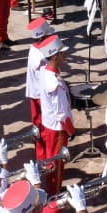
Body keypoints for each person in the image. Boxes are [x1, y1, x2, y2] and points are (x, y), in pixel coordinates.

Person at [36, 35, 75, 194]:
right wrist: (71, 130)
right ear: (55, 56)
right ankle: (54, 193)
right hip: (57, 129)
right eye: (62, 54)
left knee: (52, 159)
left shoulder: (46, 72)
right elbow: (61, 113)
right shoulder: (55, 84)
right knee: (56, 163)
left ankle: (54, 188)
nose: (65, 56)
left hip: (49, 124)